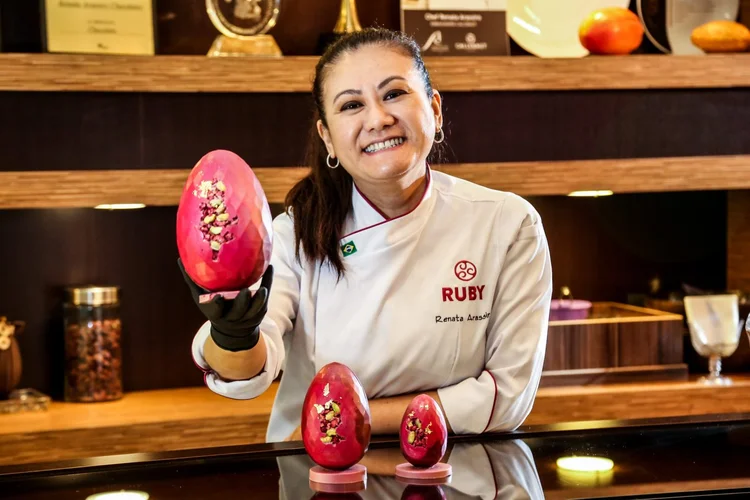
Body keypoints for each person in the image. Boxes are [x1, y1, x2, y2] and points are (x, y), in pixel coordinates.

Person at [179, 27, 553, 444]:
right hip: (322, 477)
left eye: (394, 94)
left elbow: (508, 397)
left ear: (435, 109)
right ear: (328, 138)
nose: (378, 119)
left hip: (462, 475)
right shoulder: (294, 235)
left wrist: (345, 419)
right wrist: (234, 334)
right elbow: (245, 375)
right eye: (352, 105)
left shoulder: (508, 224)